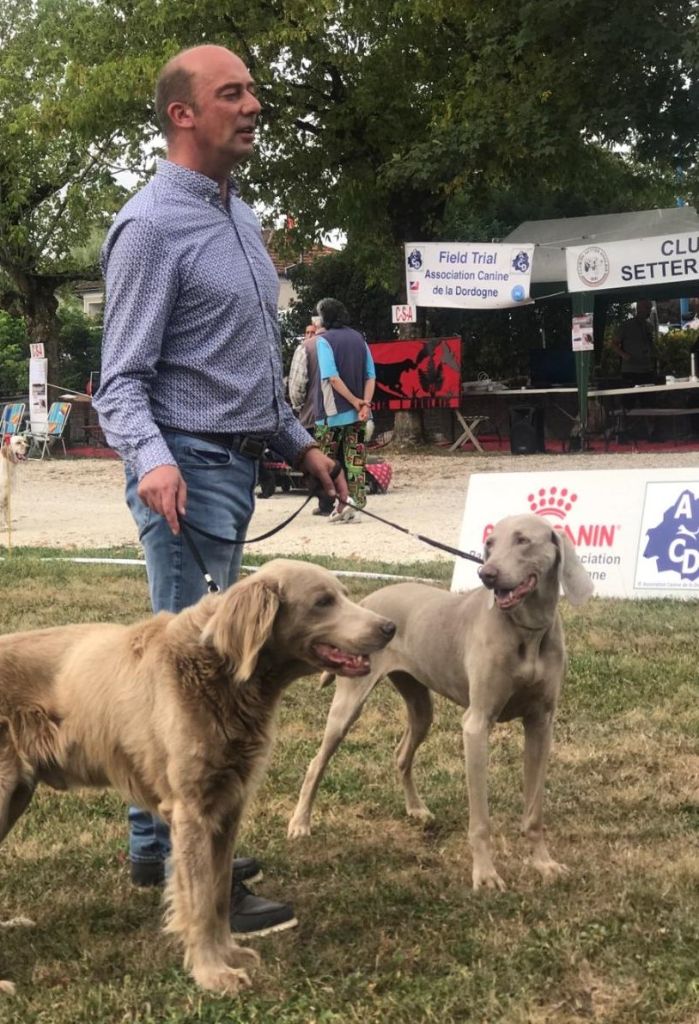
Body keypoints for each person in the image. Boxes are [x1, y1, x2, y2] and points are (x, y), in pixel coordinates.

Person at [93, 44, 348, 937]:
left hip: (238, 462)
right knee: (192, 676)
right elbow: (119, 381)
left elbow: (243, 372)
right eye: (231, 92)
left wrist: (300, 443)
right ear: (182, 115)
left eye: (253, 90)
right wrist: (153, 461)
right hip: (185, 474)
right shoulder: (151, 226)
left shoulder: (240, 223)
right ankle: (183, 863)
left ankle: (159, 841)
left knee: (212, 669)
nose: (254, 104)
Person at [313, 297, 376, 523]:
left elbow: (332, 378)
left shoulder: (323, 341)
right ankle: (357, 503)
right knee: (356, 460)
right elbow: (371, 375)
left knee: (326, 461)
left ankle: (335, 503)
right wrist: (364, 403)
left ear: (324, 317)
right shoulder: (359, 339)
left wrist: (353, 400)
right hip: (358, 415)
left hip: (330, 414)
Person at [288, 321, 334, 515]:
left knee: (316, 460)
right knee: (343, 458)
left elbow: (297, 386)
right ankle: (351, 499)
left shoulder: (306, 348)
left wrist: (298, 407)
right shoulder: (355, 341)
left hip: (314, 414)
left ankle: (325, 502)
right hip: (349, 414)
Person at [611, 299, 657, 384]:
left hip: (647, 369)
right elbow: (614, 344)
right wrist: (623, 355)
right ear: (639, 309)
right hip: (630, 370)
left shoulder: (649, 326)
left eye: (650, 308)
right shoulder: (627, 326)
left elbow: (651, 344)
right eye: (647, 308)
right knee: (631, 396)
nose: (649, 311)